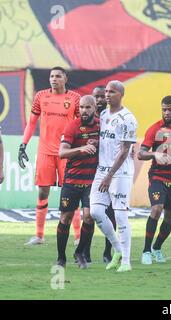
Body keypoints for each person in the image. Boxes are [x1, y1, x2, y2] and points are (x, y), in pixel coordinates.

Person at [19, 66, 81, 246]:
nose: (54, 79)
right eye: (52, 76)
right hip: (45, 151)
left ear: (65, 79)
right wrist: (23, 144)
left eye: (58, 76)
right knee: (42, 191)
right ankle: (39, 235)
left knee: (71, 193)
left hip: (66, 152)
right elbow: (31, 123)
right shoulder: (40, 96)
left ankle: (78, 237)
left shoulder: (74, 99)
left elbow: (79, 126)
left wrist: (79, 148)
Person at [90, 80, 137, 273]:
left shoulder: (128, 118)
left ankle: (126, 261)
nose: (107, 95)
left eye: (112, 92)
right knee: (95, 212)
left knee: (120, 214)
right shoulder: (102, 114)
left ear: (121, 94)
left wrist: (110, 175)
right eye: (106, 91)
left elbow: (125, 150)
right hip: (102, 169)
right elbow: (108, 142)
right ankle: (117, 250)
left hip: (120, 172)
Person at [138, 95, 171, 265]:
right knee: (156, 209)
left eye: (170, 109)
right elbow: (141, 153)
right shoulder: (154, 129)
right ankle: (146, 251)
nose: (166, 112)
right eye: (164, 109)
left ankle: (157, 248)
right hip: (158, 176)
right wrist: (154, 153)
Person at [56, 95, 99, 268]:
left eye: (88, 107)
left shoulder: (101, 125)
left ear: (94, 108)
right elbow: (61, 152)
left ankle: (80, 251)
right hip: (72, 180)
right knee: (65, 218)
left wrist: (99, 142)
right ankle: (61, 258)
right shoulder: (72, 126)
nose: (84, 111)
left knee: (89, 217)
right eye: (81, 107)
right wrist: (81, 148)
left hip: (92, 180)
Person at [89, 85, 116, 263]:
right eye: (96, 97)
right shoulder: (86, 120)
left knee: (111, 213)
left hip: (110, 171)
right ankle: (84, 252)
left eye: (101, 96)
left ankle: (108, 252)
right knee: (90, 213)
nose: (99, 99)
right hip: (90, 171)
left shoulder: (112, 118)